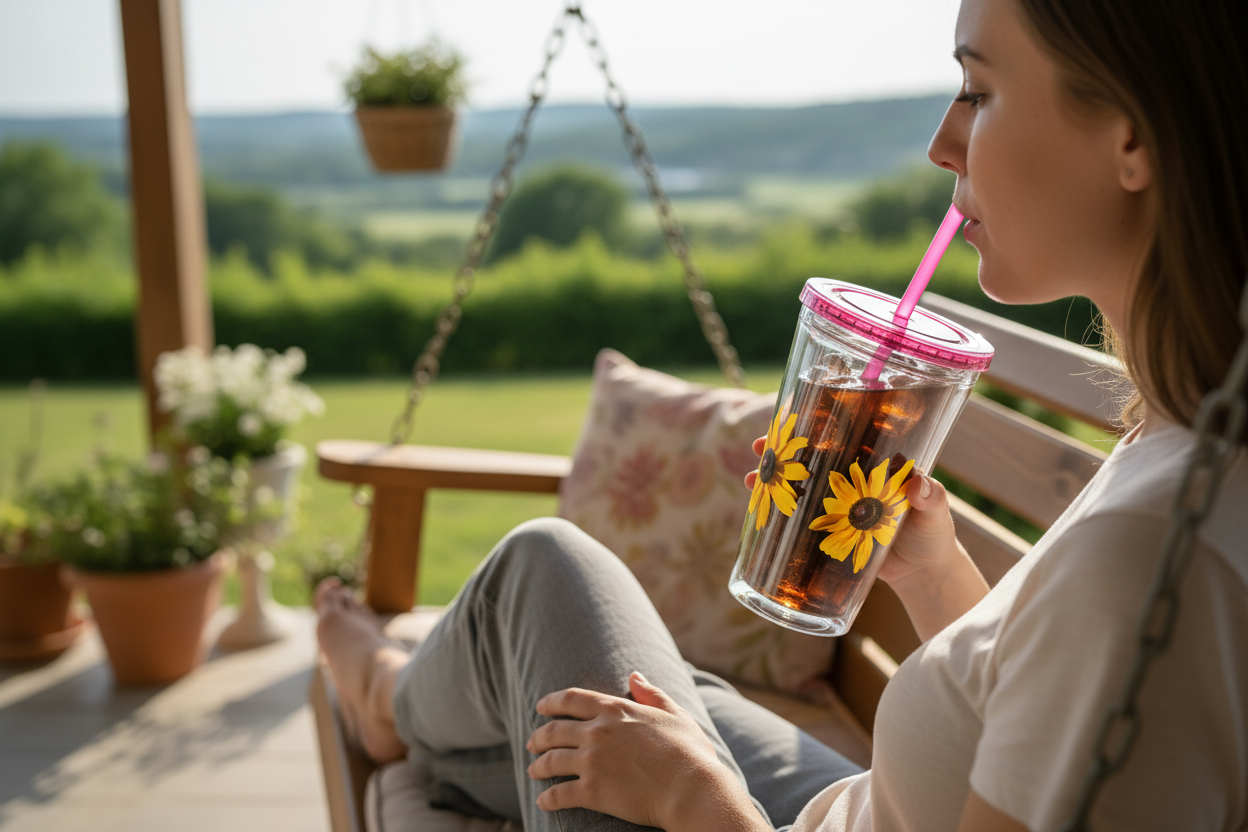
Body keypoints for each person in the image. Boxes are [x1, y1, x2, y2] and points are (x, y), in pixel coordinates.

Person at [314, 0, 1248, 829]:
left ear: (1132, 137)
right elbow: (1032, 693)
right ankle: (400, 707)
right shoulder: (1184, 434)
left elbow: (1096, 629)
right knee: (626, 697)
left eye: (978, 90)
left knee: (546, 570)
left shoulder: (1147, 554)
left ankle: (389, 699)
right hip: (862, 804)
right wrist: (933, 579)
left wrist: (696, 800)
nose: (942, 143)